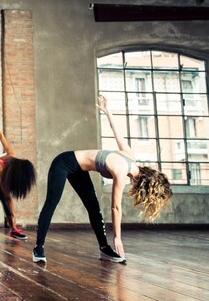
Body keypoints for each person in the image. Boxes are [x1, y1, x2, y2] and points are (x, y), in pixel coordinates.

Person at [32, 95, 172, 264]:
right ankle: (38, 247)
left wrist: (107, 110)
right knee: (51, 202)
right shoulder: (121, 171)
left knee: (94, 208)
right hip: (63, 162)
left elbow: (116, 132)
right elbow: (115, 207)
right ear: (144, 183)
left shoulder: (131, 157)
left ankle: (104, 249)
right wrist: (118, 238)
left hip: (79, 170)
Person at [0, 108, 36, 240]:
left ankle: (13, 229)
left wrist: (14, 220)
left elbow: (8, 197)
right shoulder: (3, 164)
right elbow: (1, 136)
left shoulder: (9, 171)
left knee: (5, 200)